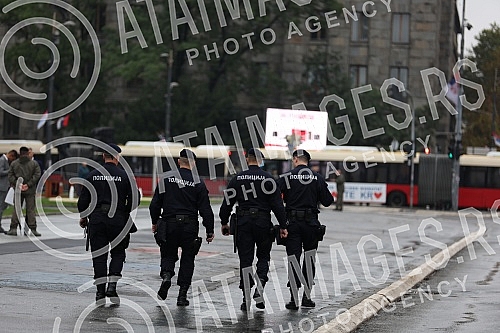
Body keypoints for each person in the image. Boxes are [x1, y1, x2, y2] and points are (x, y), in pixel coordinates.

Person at [219, 148, 287, 311]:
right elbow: (278, 205)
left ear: (247, 160)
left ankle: (246, 298)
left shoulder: (237, 178)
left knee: (245, 260)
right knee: (263, 257)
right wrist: (283, 225)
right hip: (263, 223)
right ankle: (260, 288)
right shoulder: (269, 179)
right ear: (261, 160)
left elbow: (227, 202)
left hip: (243, 223)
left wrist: (224, 222)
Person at [149, 148, 214, 306]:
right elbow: (205, 208)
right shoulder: (198, 182)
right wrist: (210, 229)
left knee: (168, 254)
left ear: (179, 161)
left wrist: (155, 221)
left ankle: (166, 276)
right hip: (189, 226)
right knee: (188, 258)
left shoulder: (166, 178)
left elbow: (155, 204)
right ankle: (182, 295)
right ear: (193, 163)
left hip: (169, 224)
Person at [77, 143, 140, 304]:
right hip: (118, 220)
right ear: (117, 157)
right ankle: (112, 286)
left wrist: (85, 216)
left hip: (97, 219)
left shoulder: (92, 175)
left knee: (99, 257)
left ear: (103, 156)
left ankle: (100, 292)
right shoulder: (125, 176)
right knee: (118, 254)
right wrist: (123, 210)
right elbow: (135, 200)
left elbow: (83, 201)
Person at [277, 149, 333, 310]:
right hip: (311, 224)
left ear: (295, 159)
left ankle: (294, 300)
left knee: (293, 259)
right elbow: (328, 201)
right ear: (307, 161)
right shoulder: (317, 178)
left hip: (292, 224)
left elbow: (273, 197)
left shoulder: (287, 177)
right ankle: (307, 298)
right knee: (309, 259)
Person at [7, 146, 41, 236]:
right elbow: (37, 175)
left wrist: (18, 184)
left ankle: (13, 228)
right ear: (27, 153)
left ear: (20, 153)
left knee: (17, 209)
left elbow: (10, 175)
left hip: (18, 190)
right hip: (30, 190)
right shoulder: (34, 164)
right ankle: (32, 229)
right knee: (30, 210)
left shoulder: (14, 164)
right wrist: (28, 184)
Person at [0, 150, 18, 234]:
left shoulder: (5, 161)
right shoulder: (2, 160)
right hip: (2, 187)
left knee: (2, 206)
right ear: (11, 155)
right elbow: (0, 172)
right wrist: (10, 171)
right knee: (1, 206)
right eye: (12, 158)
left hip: (4, 186)